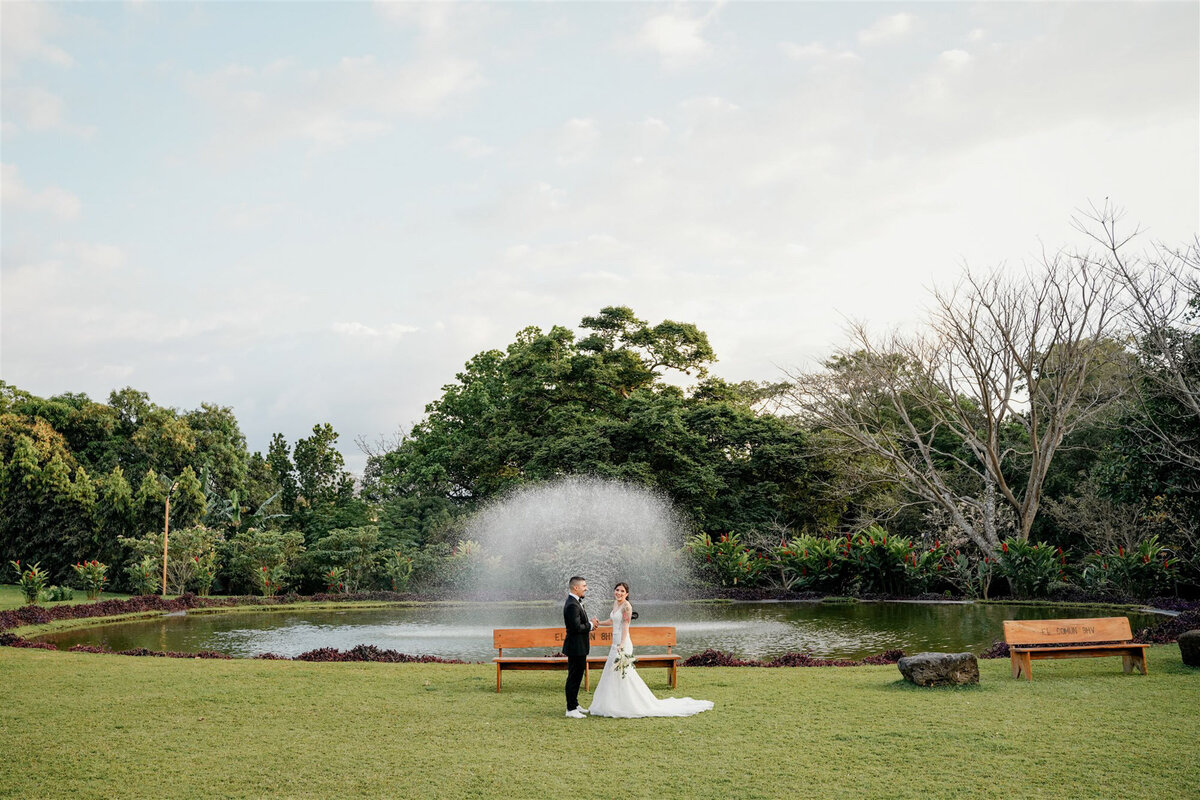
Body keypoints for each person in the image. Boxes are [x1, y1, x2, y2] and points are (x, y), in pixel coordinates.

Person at [588, 582, 714, 718]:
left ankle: (631, 703)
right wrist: (599, 623)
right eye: (617, 590)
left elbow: (625, 625)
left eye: (622, 591)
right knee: (612, 673)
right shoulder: (615, 604)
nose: (619, 593)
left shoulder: (626, 607)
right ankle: (613, 703)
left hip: (623, 643)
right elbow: (612, 621)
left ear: (627, 594)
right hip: (615, 643)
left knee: (624, 673)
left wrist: (622, 644)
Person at [563, 576, 598, 719]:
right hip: (575, 647)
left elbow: (578, 623)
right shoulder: (572, 604)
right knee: (573, 677)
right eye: (584, 586)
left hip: (579, 647)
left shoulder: (576, 602)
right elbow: (575, 628)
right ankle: (570, 709)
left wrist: (589, 623)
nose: (586, 588)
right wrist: (590, 625)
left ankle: (575, 704)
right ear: (575, 588)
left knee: (577, 676)